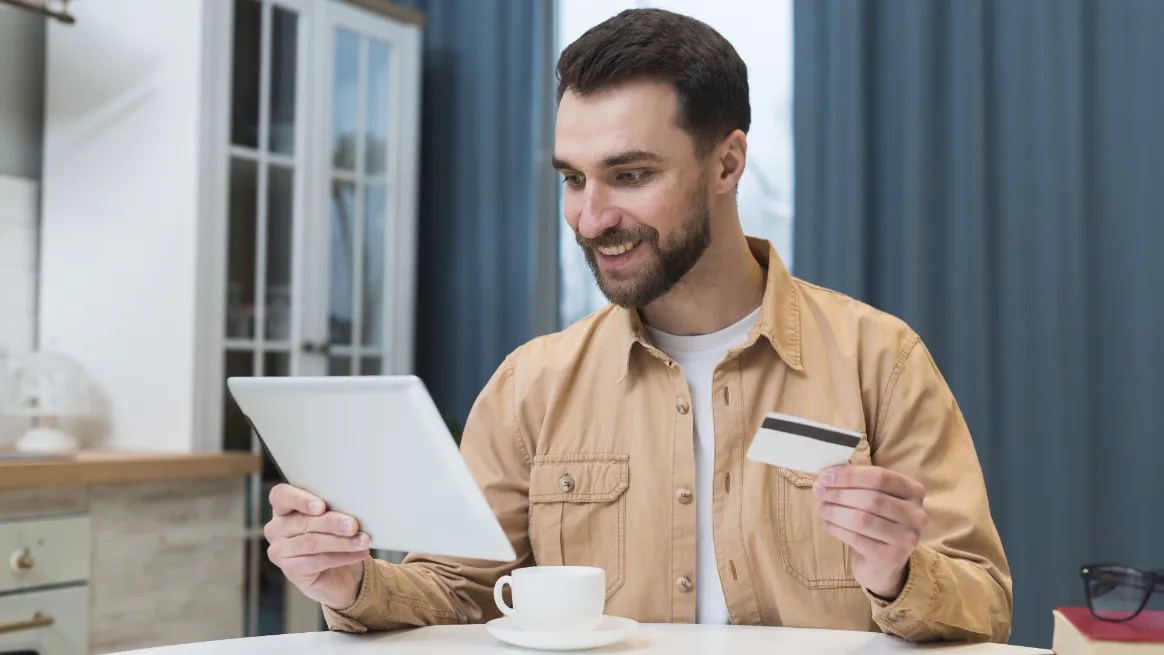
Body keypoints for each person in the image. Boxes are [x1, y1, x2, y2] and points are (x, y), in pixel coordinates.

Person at [263, 8, 1012, 643]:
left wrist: (898, 574)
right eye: (573, 178)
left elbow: (986, 603)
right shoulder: (532, 385)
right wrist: (350, 581)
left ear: (727, 164)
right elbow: (458, 590)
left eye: (630, 175)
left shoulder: (879, 358)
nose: (591, 219)